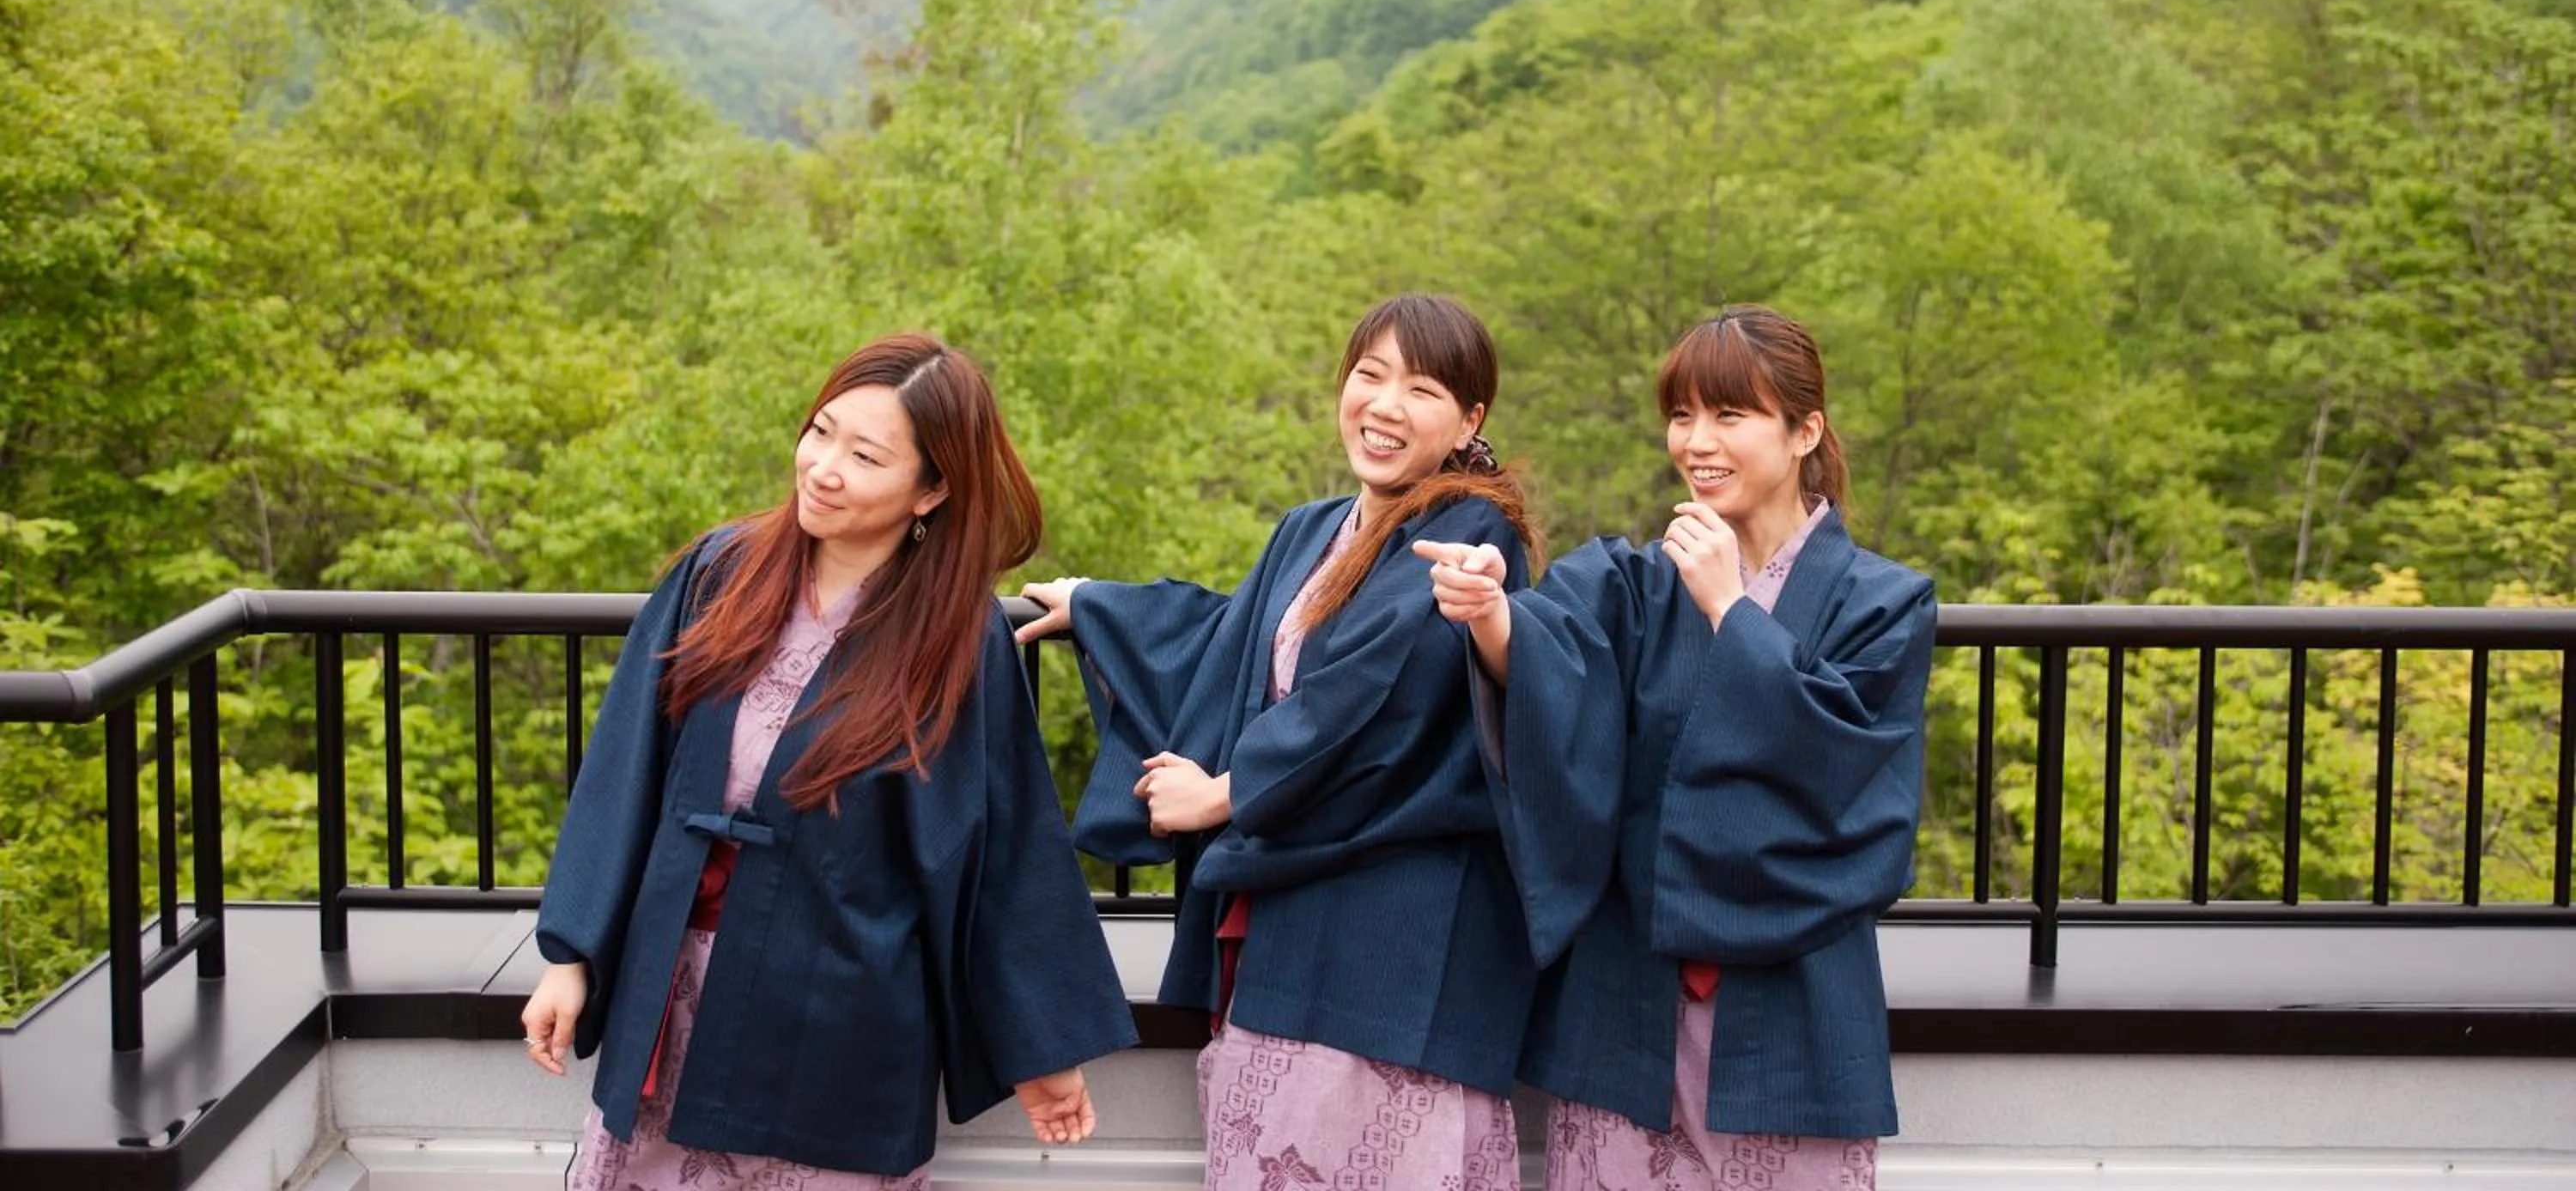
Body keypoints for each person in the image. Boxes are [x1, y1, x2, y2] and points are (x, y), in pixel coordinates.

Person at [520, 332, 1138, 1190]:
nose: (823, 466)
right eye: (820, 431)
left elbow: (1001, 850)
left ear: (933, 487)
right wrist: (572, 953)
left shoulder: (957, 641)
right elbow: (625, 771)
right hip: (673, 990)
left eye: (865, 454)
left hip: (838, 1014)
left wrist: (1042, 1046)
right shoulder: (719, 573)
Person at [1015, 293, 1543, 1191]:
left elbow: (1373, 687)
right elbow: (1234, 643)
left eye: (1420, 388)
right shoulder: (1314, 528)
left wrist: (1224, 792)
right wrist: (1101, 605)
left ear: (1469, 420)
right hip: (1297, 910)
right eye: (1369, 374)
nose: (1383, 405)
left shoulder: (1469, 532)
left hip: (1402, 929)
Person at [1418, 305, 1937, 1191]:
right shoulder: (1635, 581)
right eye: (1683, 413)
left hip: (1788, 1015)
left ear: (1804, 428)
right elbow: (1553, 662)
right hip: (1629, 1008)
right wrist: (1495, 612)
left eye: (1730, 414)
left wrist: (1733, 610)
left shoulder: (1884, 603)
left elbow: (1847, 775)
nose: (1697, 440)